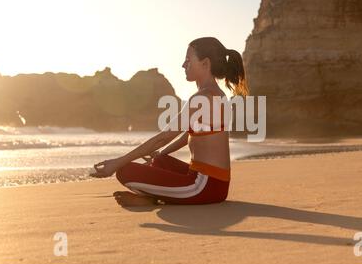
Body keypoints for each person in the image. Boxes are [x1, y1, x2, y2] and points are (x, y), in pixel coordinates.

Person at [90, 37, 248, 206]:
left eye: (188, 61)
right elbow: (186, 136)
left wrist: (117, 162)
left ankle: (151, 199)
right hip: (216, 184)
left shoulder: (202, 99)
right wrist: (161, 154)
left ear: (205, 63)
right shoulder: (218, 95)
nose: (183, 65)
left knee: (124, 171)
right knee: (159, 160)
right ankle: (153, 195)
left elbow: (163, 137)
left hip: (203, 187)